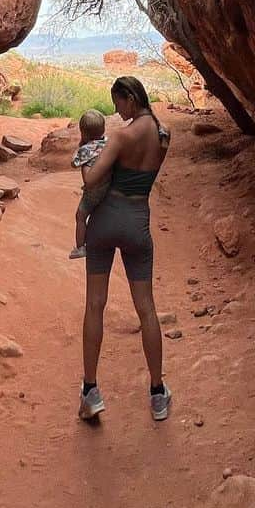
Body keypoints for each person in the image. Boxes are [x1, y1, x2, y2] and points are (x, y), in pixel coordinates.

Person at [77, 76, 172, 423]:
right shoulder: (163, 135)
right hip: (137, 222)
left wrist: (85, 154)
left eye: (118, 103)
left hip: (105, 222)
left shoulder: (121, 136)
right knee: (147, 310)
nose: (117, 111)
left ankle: (91, 392)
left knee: (95, 305)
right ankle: (158, 394)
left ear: (130, 98)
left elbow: (91, 180)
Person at [69, 109, 109, 260]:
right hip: (109, 187)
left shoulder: (85, 149)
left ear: (83, 132)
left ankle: (80, 247)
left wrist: (80, 148)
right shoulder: (108, 143)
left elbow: (74, 164)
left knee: (80, 216)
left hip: (93, 191)